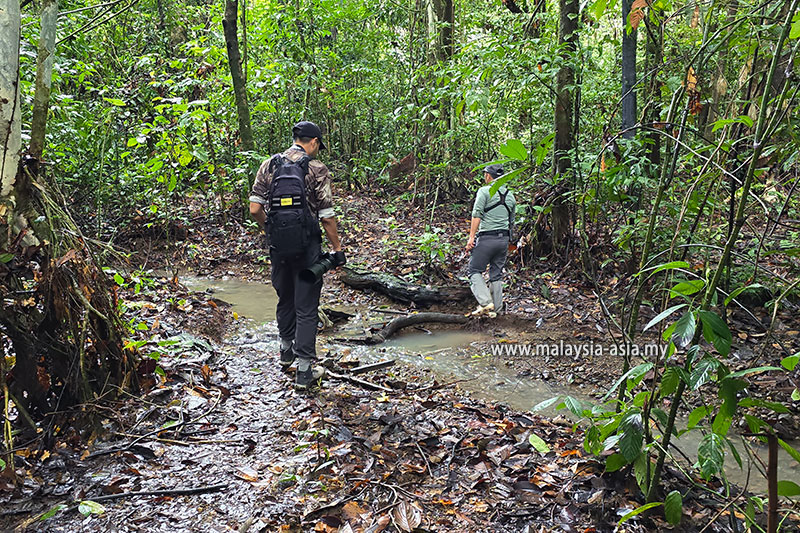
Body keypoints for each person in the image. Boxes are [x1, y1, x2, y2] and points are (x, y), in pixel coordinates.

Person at [249, 121, 345, 390]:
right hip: (308, 248)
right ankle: (304, 372)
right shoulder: (316, 169)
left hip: (278, 247)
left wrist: (271, 229)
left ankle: (285, 351)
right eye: (318, 145)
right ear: (313, 142)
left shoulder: (269, 164)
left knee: (285, 297)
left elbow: (255, 208)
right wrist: (337, 248)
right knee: (306, 306)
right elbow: (326, 216)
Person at [465, 164, 516, 317]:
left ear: (488, 176)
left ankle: (486, 303)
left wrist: (471, 238)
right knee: (496, 275)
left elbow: (477, 214)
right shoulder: (510, 195)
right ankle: (497, 311)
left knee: (474, 270)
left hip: (487, 238)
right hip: (503, 240)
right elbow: (511, 221)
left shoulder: (484, 191)